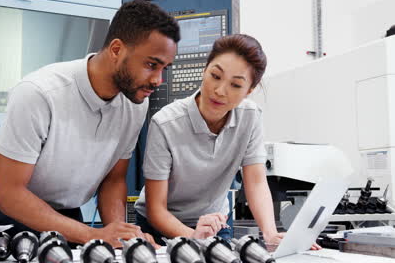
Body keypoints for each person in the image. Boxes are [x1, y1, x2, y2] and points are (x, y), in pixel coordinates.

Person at [0, 0, 179, 247]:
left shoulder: (135, 104)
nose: (158, 80)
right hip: (10, 214)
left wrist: (122, 236)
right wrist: (92, 235)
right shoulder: (39, 93)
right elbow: (8, 194)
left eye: (164, 69)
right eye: (151, 65)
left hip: (67, 215)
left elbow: (113, 180)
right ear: (116, 49)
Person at [135, 34, 321, 250]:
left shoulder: (250, 117)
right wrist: (193, 235)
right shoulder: (166, 124)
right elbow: (156, 210)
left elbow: (256, 182)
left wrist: (270, 233)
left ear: (249, 90)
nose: (220, 91)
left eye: (235, 85)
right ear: (205, 70)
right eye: (215, 76)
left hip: (214, 223)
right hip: (159, 227)